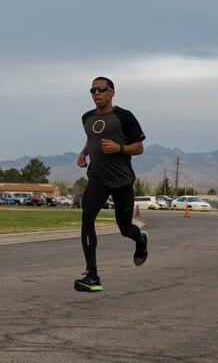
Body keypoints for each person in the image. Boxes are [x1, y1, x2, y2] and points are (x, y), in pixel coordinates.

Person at [75, 76, 148, 292]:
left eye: (101, 90)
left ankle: (140, 239)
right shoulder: (86, 117)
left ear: (112, 92)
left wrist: (119, 149)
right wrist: (83, 153)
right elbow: (92, 137)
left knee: (125, 229)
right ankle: (92, 275)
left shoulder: (124, 116)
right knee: (87, 217)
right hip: (97, 177)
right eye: (93, 90)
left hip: (122, 180)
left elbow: (139, 147)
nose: (96, 94)